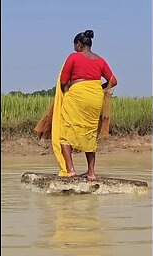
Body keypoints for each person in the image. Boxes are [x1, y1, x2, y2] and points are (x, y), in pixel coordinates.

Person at [52, 30, 117, 179]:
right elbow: (113, 80)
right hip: (95, 97)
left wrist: (64, 92)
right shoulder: (100, 60)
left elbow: (63, 82)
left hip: (77, 95)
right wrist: (98, 88)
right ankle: (91, 173)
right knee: (89, 132)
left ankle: (70, 170)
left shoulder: (73, 57)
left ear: (79, 44)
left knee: (65, 132)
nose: (74, 48)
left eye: (75, 45)